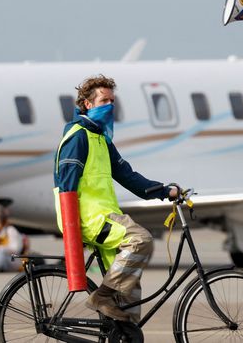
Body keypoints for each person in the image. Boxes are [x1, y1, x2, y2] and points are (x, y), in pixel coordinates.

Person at [54, 75, 176, 322]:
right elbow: (65, 185)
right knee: (140, 239)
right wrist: (72, 230)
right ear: (87, 104)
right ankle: (101, 296)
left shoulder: (100, 138)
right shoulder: (77, 136)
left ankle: (124, 332)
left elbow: (128, 176)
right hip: (89, 219)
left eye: (112, 100)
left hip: (108, 217)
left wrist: (165, 191)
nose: (110, 105)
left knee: (129, 291)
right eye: (103, 100)